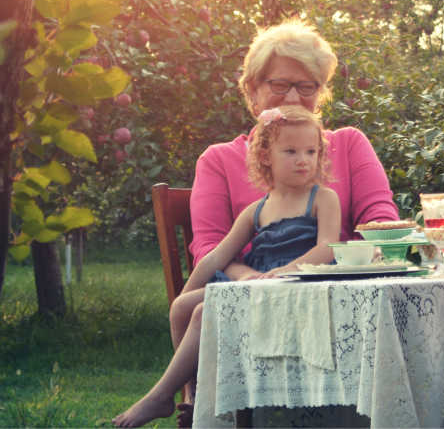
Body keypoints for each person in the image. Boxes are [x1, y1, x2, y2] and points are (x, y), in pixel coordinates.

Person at [114, 105, 340, 427]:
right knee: (183, 308)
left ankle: (162, 395)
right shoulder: (257, 210)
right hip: (258, 287)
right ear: (265, 156)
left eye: (311, 151)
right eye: (290, 151)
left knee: (204, 312)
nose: (303, 159)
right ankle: (192, 398)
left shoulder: (322, 198)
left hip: (297, 289)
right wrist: (191, 290)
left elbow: (327, 248)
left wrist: (286, 270)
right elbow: (218, 256)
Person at [190, 18, 400, 283]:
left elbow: (381, 224)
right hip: (252, 300)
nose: (292, 98)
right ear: (253, 91)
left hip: (341, 287)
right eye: (279, 85)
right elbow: (210, 248)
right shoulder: (218, 160)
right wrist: (254, 279)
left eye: (306, 86)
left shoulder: (350, 144)